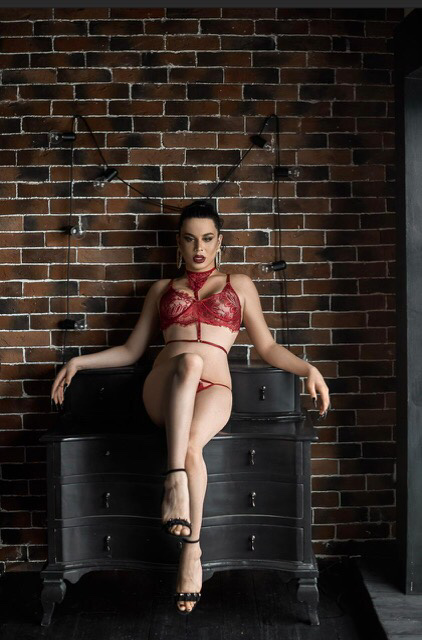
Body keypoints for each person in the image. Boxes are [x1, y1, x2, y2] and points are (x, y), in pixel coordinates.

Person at [51, 199, 331, 615]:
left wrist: (309, 368)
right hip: (164, 385)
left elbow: (268, 346)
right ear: (178, 243)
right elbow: (131, 350)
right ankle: (175, 482)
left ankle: (191, 549)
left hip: (215, 389)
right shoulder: (161, 290)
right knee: (189, 362)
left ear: (219, 242)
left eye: (207, 238)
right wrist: (79, 361)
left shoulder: (240, 284)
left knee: (191, 446)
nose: (198, 248)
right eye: (189, 239)